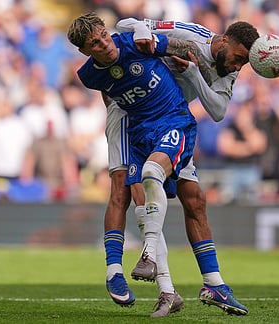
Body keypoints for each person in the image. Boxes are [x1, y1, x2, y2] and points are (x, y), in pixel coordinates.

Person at [110, 17, 258, 315]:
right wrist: (144, 33)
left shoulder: (228, 69)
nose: (238, 67)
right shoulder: (188, 34)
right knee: (139, 196)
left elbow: (217, 111)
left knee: (196, 201)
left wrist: (193, 75)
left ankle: (213, 284)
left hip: (173, 121)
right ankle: (164, 288)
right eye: (239, 58)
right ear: (224, 40)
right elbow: (128, 25)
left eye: (244, 63)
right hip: (134, 117)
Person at [67, 12, 200, 317]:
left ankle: (184, 281)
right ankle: (135, 276)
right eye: (95, 44)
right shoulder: (88, 75)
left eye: (103, 35)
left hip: (168, 120)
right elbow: (107, 89)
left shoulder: (134, 43)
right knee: (129, 197)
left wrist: (156, 39)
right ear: (85, 51)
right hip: (131, 125)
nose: (104, 44)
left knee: (184, 198)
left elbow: (178, 47)